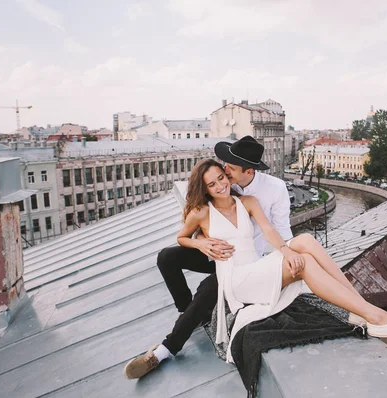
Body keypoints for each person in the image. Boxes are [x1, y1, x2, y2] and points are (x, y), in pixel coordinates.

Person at [124, 136, 294, 379]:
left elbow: (278, 231)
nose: (224, 172)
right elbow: (187, 232)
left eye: (228, 170)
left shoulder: (265, 193)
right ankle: (187, 311)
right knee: (167, 258)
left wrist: (284, 258)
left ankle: (164, 350)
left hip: (244, 262)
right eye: (222, 169)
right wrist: (201, 243)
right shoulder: (216, 192)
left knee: (208, 289)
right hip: (214, 254)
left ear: (246, 171)